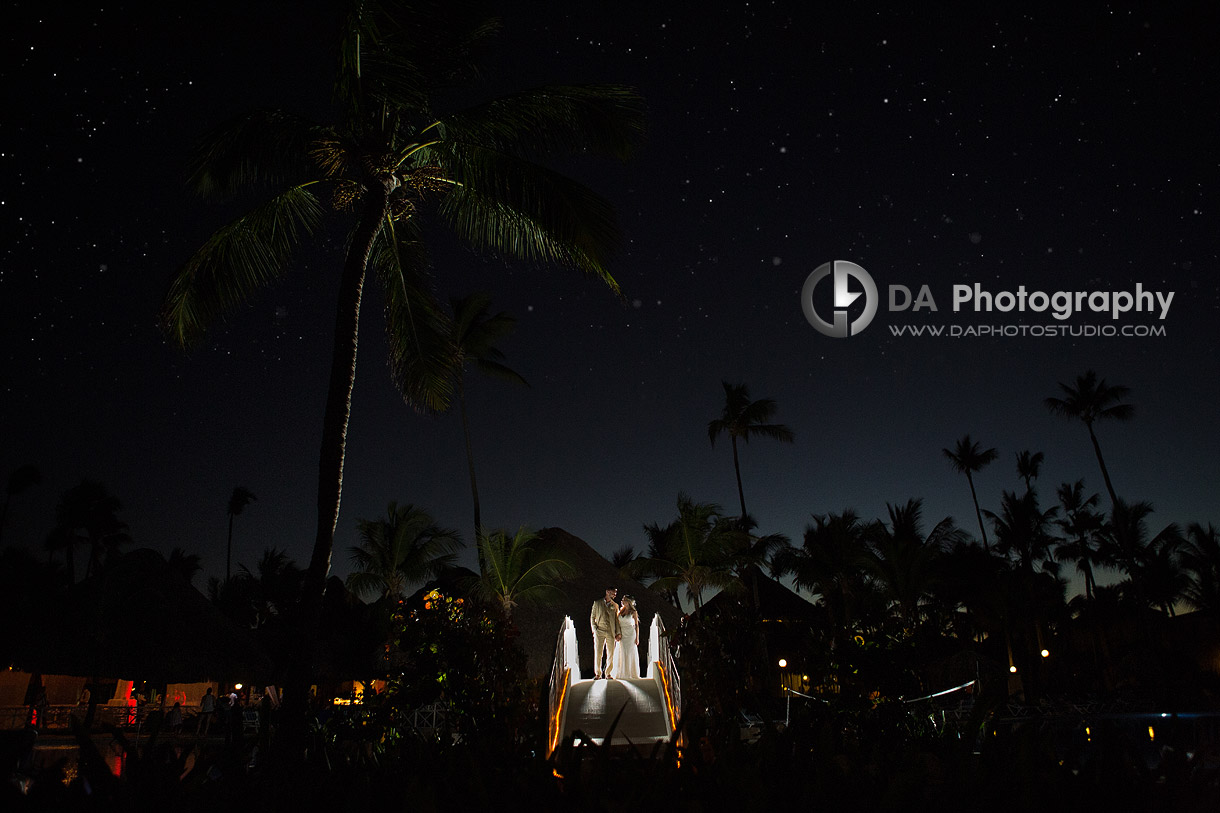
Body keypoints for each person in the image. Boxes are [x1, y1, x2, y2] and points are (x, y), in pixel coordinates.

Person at [590, 586, 622, 679]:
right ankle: (598, 673)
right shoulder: (597, 603)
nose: (615, 595)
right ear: (607, 592)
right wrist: (595, 629)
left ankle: (608, 673)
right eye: (613, 593)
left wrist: (618, 632)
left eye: (615, 594)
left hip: (610, 631)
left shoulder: (615, 605)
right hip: (599, 631)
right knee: (598, 652)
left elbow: (616, 620)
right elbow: (592, 617)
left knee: (610, 653)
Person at [610, 594, 642, 679]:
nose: (622, 601)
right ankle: (622, 672)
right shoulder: (620, 611)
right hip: (622, 633)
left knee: (630, 652)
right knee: (622, 651)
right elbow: (617, 623)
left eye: (624, 599)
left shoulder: (633, 612)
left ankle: (630, 673)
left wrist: (637, 637)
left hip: (631, 634)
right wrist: (617, 633)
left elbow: (636, 625)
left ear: (628, 602)